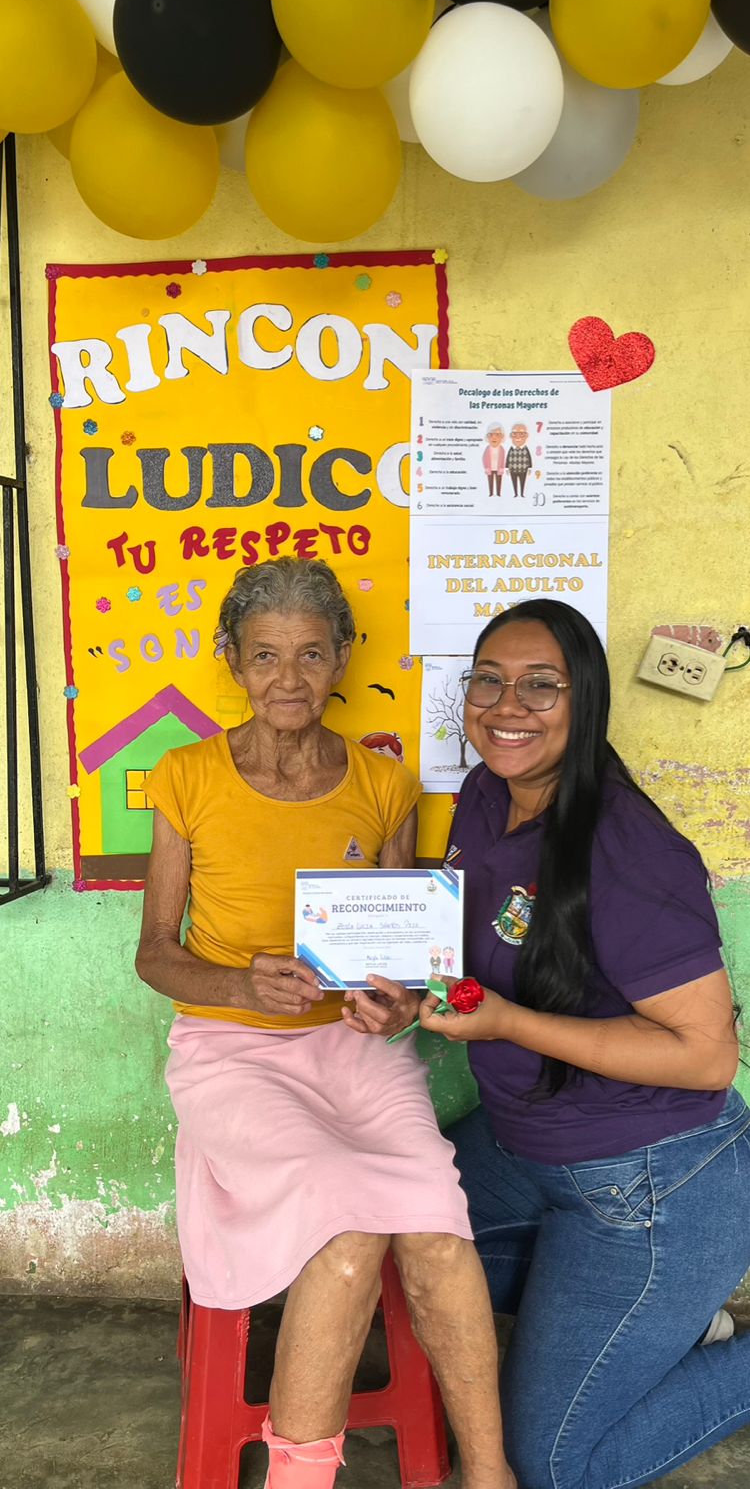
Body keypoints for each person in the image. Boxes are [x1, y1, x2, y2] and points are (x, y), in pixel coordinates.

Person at [348, 598, 750, 1489]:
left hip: (651, 1183)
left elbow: (706, 1057)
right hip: (526, 1143)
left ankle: (674, 1320)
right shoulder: (487, 795)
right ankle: (661, 1325)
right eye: (487, 681)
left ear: (586, 700)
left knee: (560, 1464)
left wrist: (506, 1022)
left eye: (541, 686)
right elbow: (473, 953)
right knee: (376, 1266)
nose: (507, 707)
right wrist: (408, 996)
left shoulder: (628, 848)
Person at [135, 557, 515, 1489]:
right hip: (230, 1049)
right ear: (232, 660)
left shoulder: (383, 783)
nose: (289, 679)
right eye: (265, 655)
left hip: (353, 1047)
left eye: (311, 654)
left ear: (343, 658)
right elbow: (154, 954)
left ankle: (489, 1472)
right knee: (347, 1234)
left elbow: (404, 952)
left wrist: (396, 1004)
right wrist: (237, 984)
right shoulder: (186, 776)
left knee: (437, 1226)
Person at [506, 423, 532, 497]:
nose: (518, 436)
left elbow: (529, 458)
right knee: (514, 482)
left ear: (526, 436)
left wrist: (530, 468)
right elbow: (508, 458)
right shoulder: (511, 449)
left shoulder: (526, 449)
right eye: (514, 434)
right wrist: (507, 468)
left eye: (521, 434)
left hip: (523, 469)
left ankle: (522, 494)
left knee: (523, 482)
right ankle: (515, 494)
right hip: (513, 470)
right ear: (511, 436)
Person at [482, 426, 506, 496]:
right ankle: (491, 493)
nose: (494, 437)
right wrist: (486, 467)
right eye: (491, 435)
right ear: (487, 437)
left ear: (502, 437)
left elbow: (503, 459)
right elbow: (484, 458)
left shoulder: (501, 449)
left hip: (499, 469)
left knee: (499, 481)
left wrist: (502, 467)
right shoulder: (487, 448)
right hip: (490, 468)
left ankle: (498, 493)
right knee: (490, 481)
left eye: (497, 435)